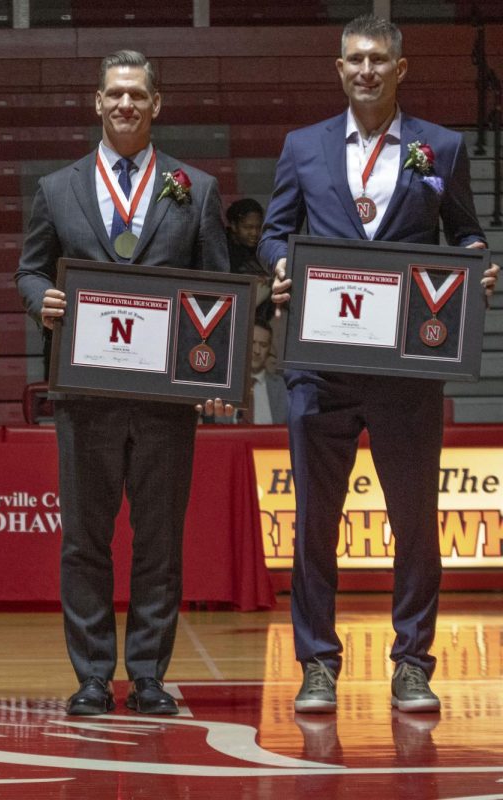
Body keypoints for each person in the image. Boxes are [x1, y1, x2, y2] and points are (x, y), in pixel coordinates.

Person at [260, 15, 499, 714]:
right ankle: (317, 665)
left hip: (405, 370)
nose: (365, 70)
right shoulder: (302, 147)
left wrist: (476, 269)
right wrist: (279, 265)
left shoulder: (441, 147)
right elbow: (276, 230)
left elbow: (468, 231)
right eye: (354, 60)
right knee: (314, 523)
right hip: (320, 367)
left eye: (378, 60)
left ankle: (413, 663)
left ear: (401, 69)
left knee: (416, 522)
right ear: (339, 68)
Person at [14, 50, 229, 717]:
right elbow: (27, 272)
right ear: (97, 102)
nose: (126, 104)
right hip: (85, 395)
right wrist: (40, 298)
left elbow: (218, 291)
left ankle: (149, 677)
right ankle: (90, 677)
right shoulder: (57, 189)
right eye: (115, 94)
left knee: (159, 540)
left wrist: (214, 374)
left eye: (138, 95)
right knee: (84, 539)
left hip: (166, 402)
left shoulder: (196, 187)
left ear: (156, 104)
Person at [247, 320, 287, 424]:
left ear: (269, 348)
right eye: (252, 342)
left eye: (263, 345)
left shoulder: (282, 387)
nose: (257, 351)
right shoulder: (227, 385)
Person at [225, 198, 266, 277]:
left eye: (258, 227)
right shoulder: (223, 253)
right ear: (234, 226)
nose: (255, 233)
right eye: (248, 227)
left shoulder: (262, 250)